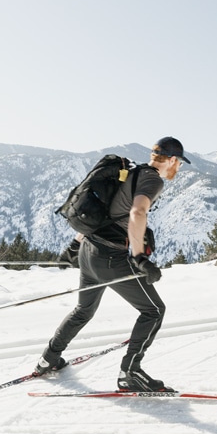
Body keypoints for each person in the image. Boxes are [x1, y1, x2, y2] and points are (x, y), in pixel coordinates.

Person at [36, 136, 190, 392]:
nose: (179, 168)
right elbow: (137, 212)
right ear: (172, 160)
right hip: (110, 257)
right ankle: (130, 373)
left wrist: (75, 247)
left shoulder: (128, 172)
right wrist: (140, 257)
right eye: (180, 163)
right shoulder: (152, 179)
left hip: (88, 251)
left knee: (83, 310)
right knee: (153, 311)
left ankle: (47, 359)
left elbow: (101, 211)